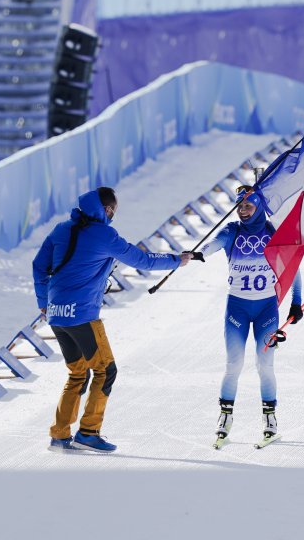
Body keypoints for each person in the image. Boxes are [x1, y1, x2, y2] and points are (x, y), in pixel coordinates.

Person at [32, 187, 192, 453]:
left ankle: (60, 434)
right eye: (113, 211)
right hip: (83, 314)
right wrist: (177, 260)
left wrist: (42, 302)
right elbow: (141, 259)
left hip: (57, 314)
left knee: (78, 372)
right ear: (106, 209)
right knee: (106, 370)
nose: (113, 216)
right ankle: (88, 432)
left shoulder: (61, 229)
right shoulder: (104, 234)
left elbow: (39, 265)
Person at [199, 186, 303, 447]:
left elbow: (293, 269)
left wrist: (296, 302)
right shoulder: (232, 231)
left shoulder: (273, 232)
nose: (243, 211)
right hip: (237, 309)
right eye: (239, 207)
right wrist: (201, 252)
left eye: (248, 206)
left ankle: (270, 420)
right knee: (233, 365)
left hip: (267, 309)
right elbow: (211, 246)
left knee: (265, 365)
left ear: (258, 206)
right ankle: (225, 417)